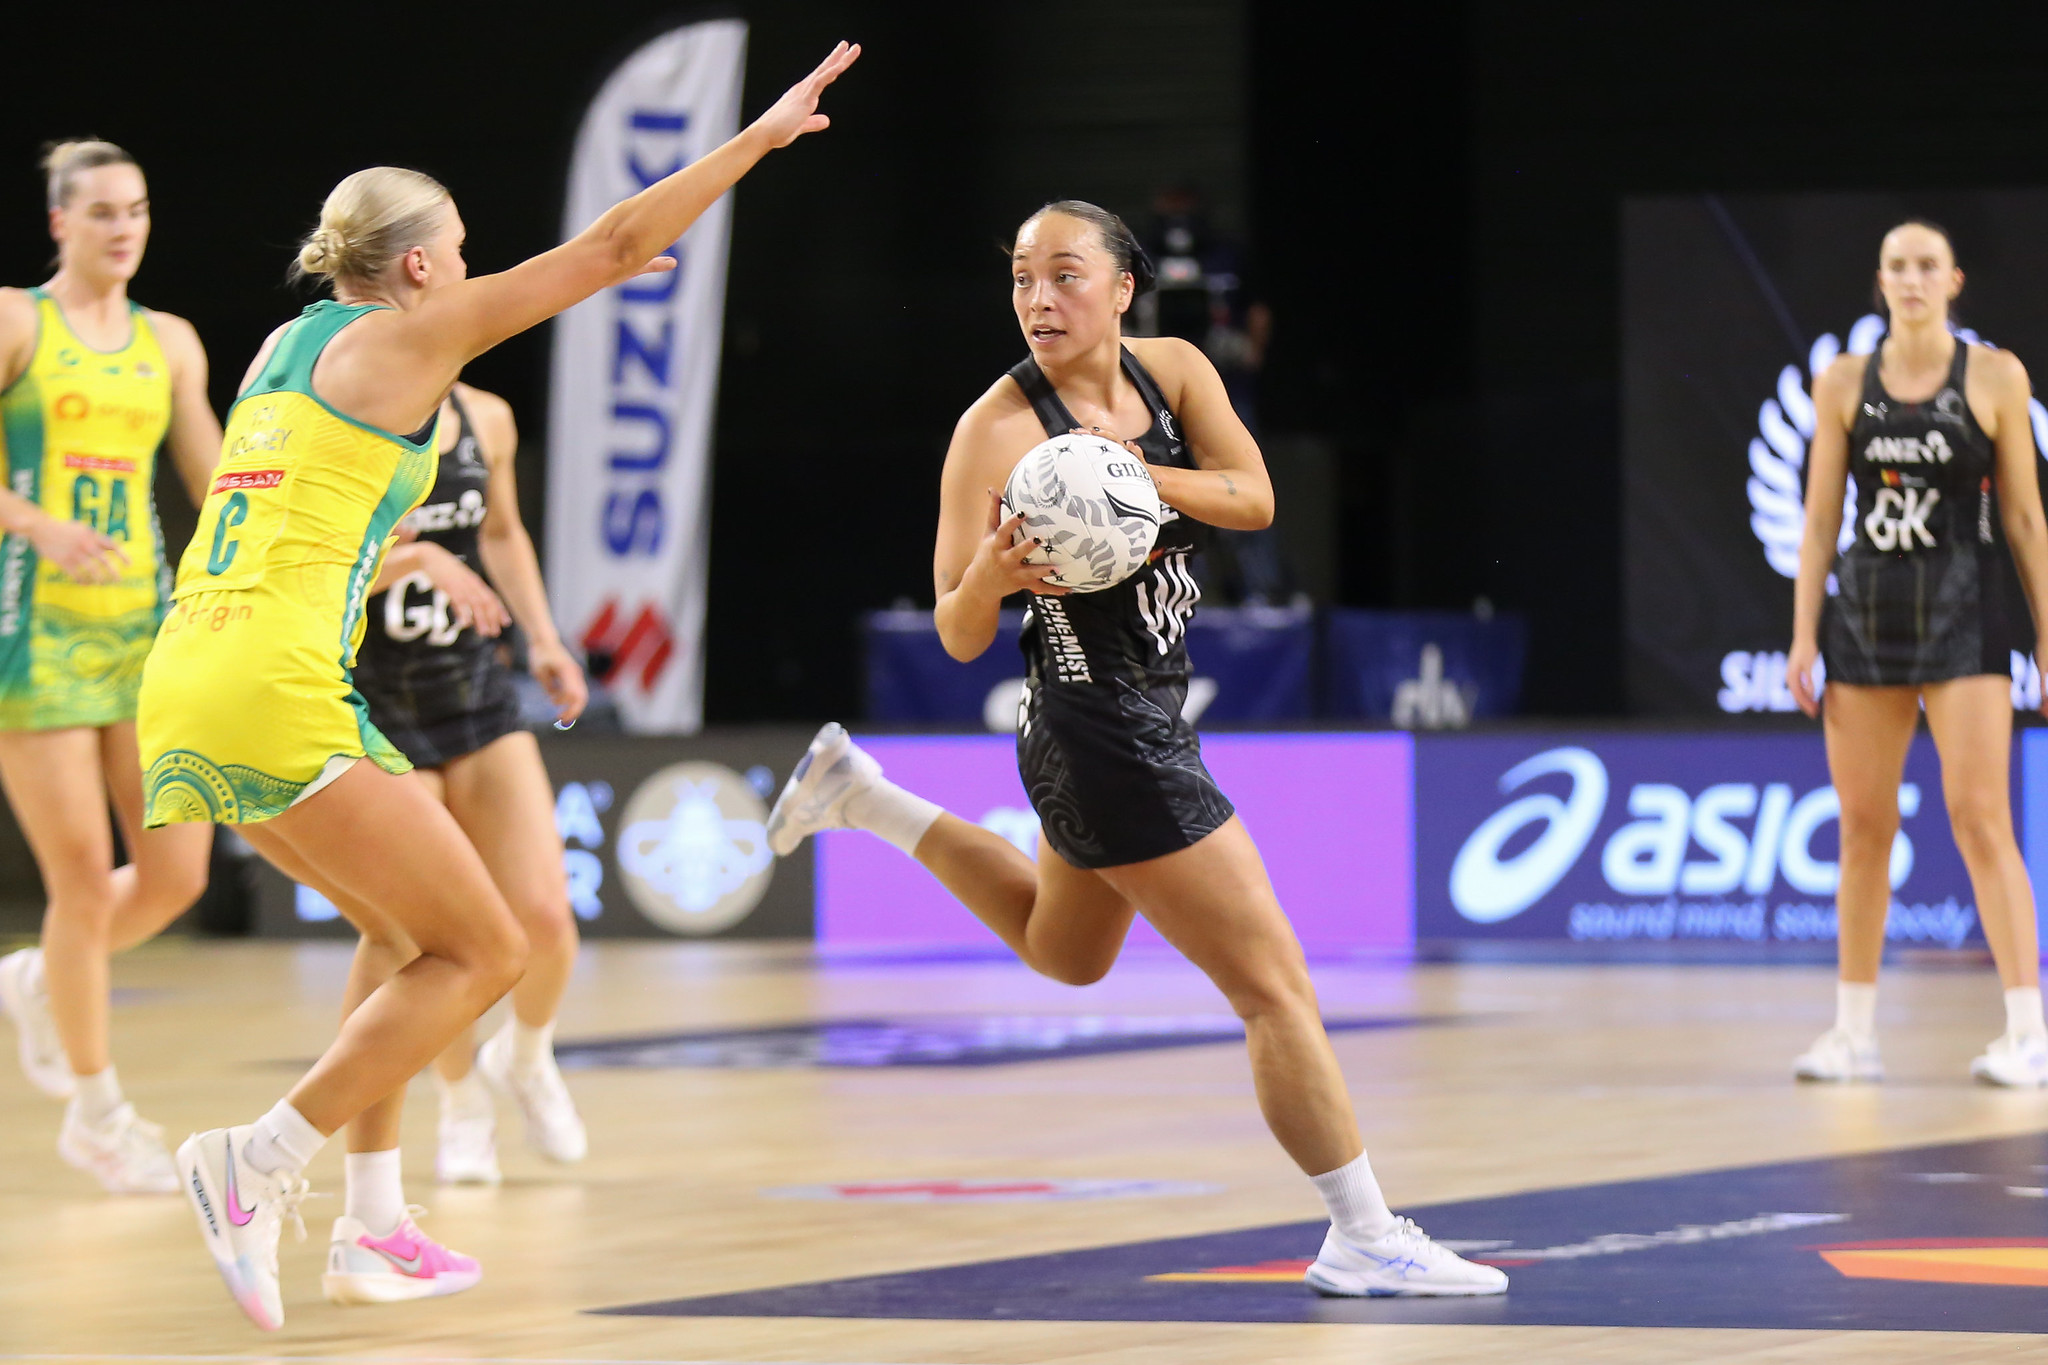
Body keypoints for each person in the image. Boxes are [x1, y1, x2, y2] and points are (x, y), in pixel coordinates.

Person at [135, 41, 859, 1330]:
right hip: (274, 682)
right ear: (416, 266)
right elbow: (608, 243)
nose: (469, 269)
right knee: (489, 948)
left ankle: (373, 1226)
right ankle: (255, 1164)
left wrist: (411, 552)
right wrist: (755, 140)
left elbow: (305, 518)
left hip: (196, 667)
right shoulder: (420, 331)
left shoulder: (283, 346)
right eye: (460, 250)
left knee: (397, 933)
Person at [766, 200, 1507, 1298]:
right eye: (1020, 277)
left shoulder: (1174, 375)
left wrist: (1128, 480)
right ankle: (1360, 1230)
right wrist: (993, 576)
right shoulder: (995, 430)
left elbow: (1250, 500)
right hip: (1093, 721)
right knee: (1272, 989)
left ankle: (861, 798)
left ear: (1122, 288)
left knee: (1064, 954)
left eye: (1063, 275)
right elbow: (956, 631)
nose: (1036, 299)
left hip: (1137, 712)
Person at [0, 140, 220, 1194]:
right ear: (60, 224)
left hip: (143, 626)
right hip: (28, 632)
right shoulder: (13, 322)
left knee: (178, 871)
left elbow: (216, 473)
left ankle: (46, 976)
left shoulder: (169, 342)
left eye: (135, 210)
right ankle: (96, 1116)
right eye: (100, 212)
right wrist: (30, 520)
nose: (123, 227)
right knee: (82, 879)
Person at [1788, 219, 2048, 1087]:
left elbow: (2023, 519)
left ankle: (2029, 1029)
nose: (1911, 278)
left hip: (1966, 621)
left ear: (1954, 280)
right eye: (1896, 265)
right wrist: (1799, 635)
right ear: (1880, 280)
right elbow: (1821, 520)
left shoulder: (1997, 376)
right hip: (1863, 620)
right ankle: (1852, 1033)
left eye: (1926, 265)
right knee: (1864, 827)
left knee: (1981, 817)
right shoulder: (1841, 383)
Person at [329, 379, 592, 1227]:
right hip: (373, 700)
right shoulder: (347, 408)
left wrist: (544, 639)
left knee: (546, 919)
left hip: (473, 687)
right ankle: (461, 1105)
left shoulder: (490, 414)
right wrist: (412, 558)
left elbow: (502, 529)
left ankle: (526, 1054)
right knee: (422, 940)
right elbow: (318, 566)